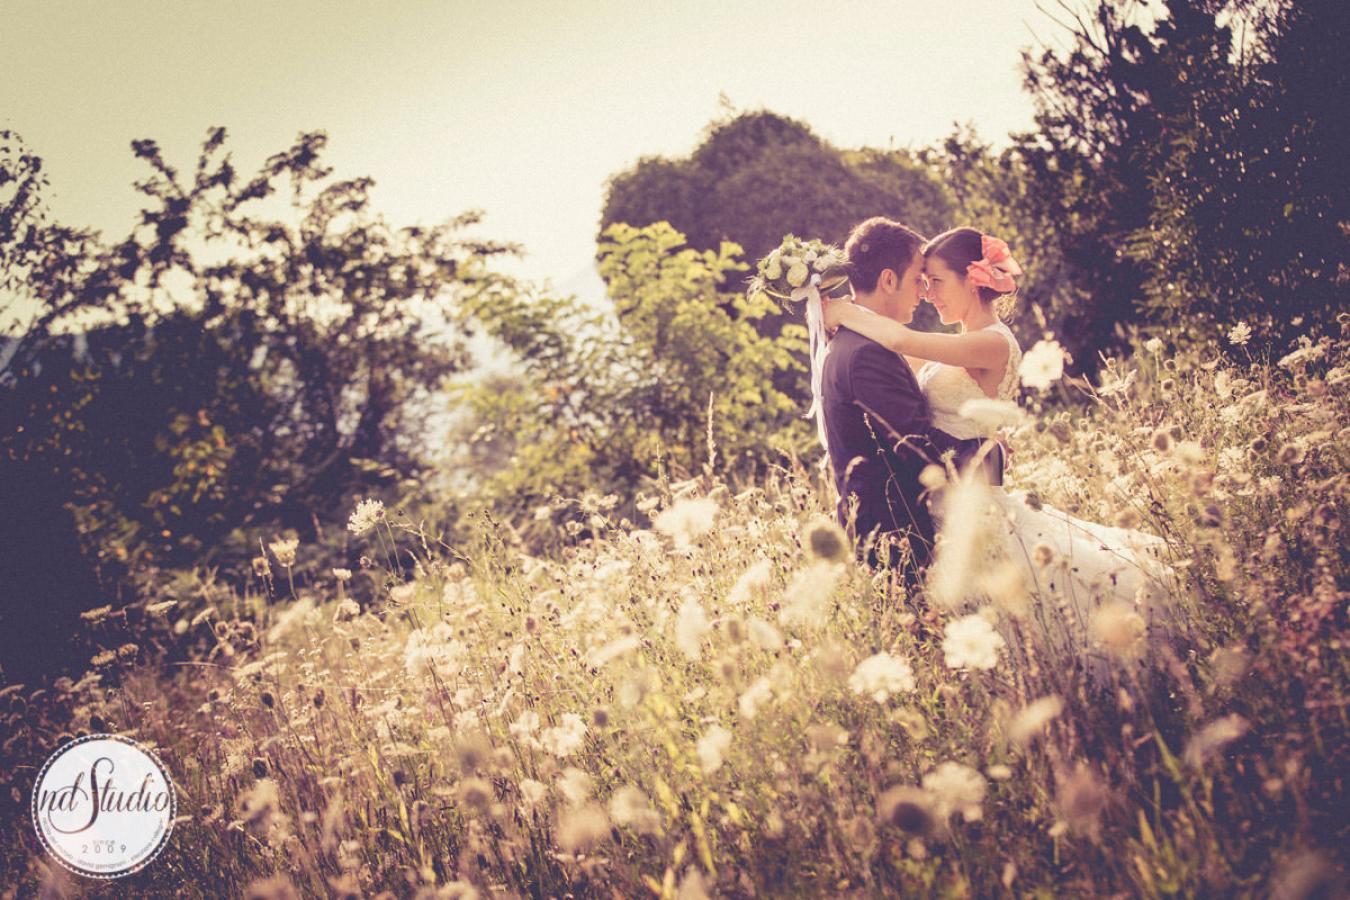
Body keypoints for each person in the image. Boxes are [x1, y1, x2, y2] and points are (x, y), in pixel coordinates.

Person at [823, 227, 1176, 663]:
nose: (928, 293)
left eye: (936, 281)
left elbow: (899, 341)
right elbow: (895, 358)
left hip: (972, 501)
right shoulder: (954, 346)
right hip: (948, 499)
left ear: (971, 280)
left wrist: (841, 309)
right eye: (923, 280)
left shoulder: (991, 342)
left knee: (1033, 614)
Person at [816, 218, 993, 587]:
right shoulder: (866, 354)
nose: (923, 292)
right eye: (917, 279)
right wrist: (991, 454)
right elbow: (916, 446)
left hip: (886, 535)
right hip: (894, 541)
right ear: (888, 280)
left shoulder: (853, 343)